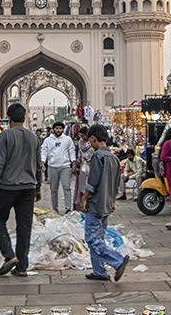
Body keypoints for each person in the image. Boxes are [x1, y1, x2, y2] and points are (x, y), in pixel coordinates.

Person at [0, 101, 42, 276]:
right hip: (28, 187)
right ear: (24, 118)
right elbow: (38, 165)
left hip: (8, 186)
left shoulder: (6, 136)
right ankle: (22, 267)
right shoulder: (33, 137)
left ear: (8, 118)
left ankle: (9, 255)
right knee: (24, 226)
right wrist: (38, 186)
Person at [80, 124, 128, 282]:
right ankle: (99, 271)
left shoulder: (97, 156)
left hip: (95, 204)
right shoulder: (114, 158)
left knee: (92, 239)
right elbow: (116, 184)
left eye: (90, 141)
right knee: (98, 237)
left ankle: (118, 260)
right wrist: (113, 202)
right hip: (107, 203)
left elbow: (92, 181)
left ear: (94, 139)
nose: (90, 145)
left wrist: (84, 198)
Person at [40, 121, 78, 214]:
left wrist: (73, 164)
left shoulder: (67, 139)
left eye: (60, 128)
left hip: (65, 167)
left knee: (66, 187)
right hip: (52, 167)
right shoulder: (48, 140)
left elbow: (71, 151)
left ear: (63, 129)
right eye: (57, 128)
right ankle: (55, 208)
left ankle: (68, 208)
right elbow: (43, 152)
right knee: (53, 189)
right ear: (53, 129)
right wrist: (42, 163)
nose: (58, 130)